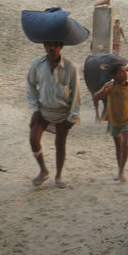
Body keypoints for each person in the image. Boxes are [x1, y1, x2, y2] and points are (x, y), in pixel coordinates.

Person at [27, 41, 81, 188]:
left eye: (55, 45)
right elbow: (30, 86)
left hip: (62, 112)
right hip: (43, 111)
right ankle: (43, 170)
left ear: (61, 47)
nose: (51, 48)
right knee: (33, 139)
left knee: (60, 145)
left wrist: (73, 116)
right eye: (48, 45)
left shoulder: (71, 67)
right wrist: (35, 110)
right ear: (44, 46)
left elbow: (76, 92)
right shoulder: (37, 64)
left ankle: (58, 176)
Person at [93, 63, 128, 182]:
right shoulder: (110, 86)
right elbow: (95, 97)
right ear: (113, 75)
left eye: (125, 71)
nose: (125, 74)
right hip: (114, 121)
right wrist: (105, 92)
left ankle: (121, 171)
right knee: (118, 147)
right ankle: (120, 170)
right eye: (121, 72)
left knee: (126, 145)